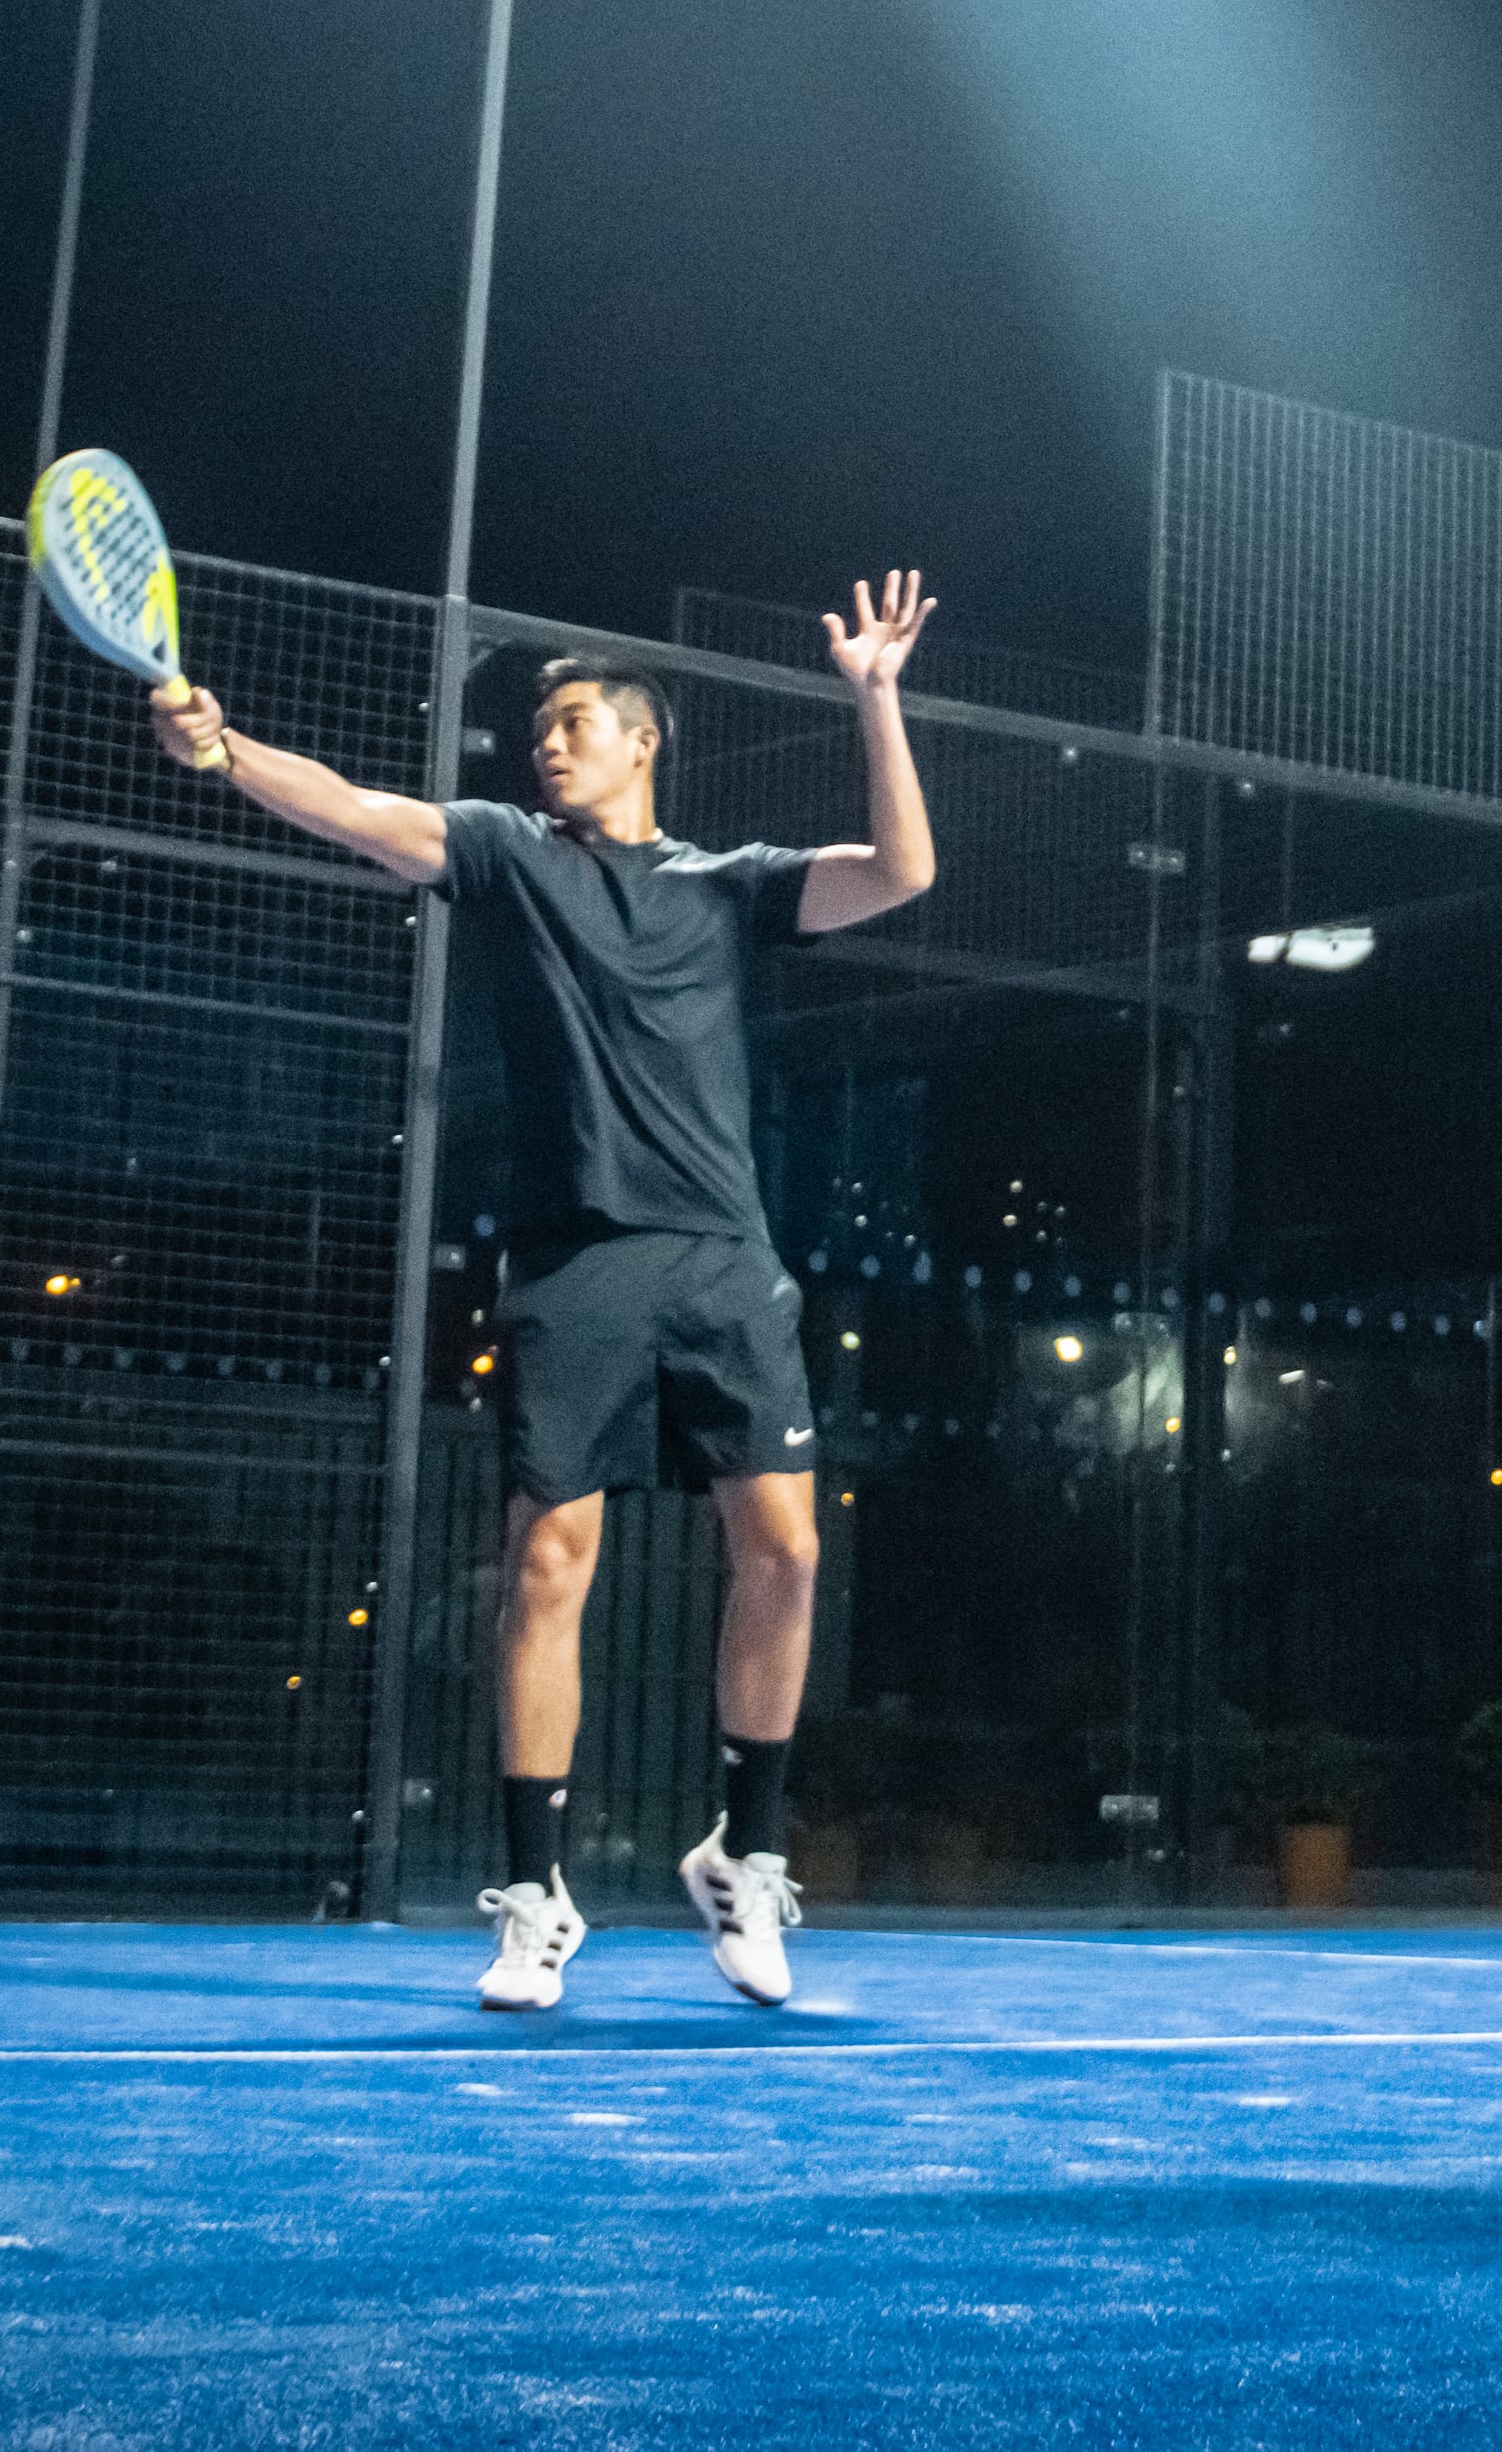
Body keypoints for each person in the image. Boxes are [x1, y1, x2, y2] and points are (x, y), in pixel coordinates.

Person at [149, 573, 941, 2013]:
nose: (548, 747)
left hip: (723, 1259)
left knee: (788, 1553)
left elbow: (902, 871)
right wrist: (227, 747)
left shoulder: (729, 885)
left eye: (575, 723)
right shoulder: (511, 853)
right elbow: (351, 808)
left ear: (648, 742)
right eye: (541, 729)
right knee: (547, 1568)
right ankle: (535, 1898)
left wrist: (876, 698)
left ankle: (742, 1857)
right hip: (575, 1269)